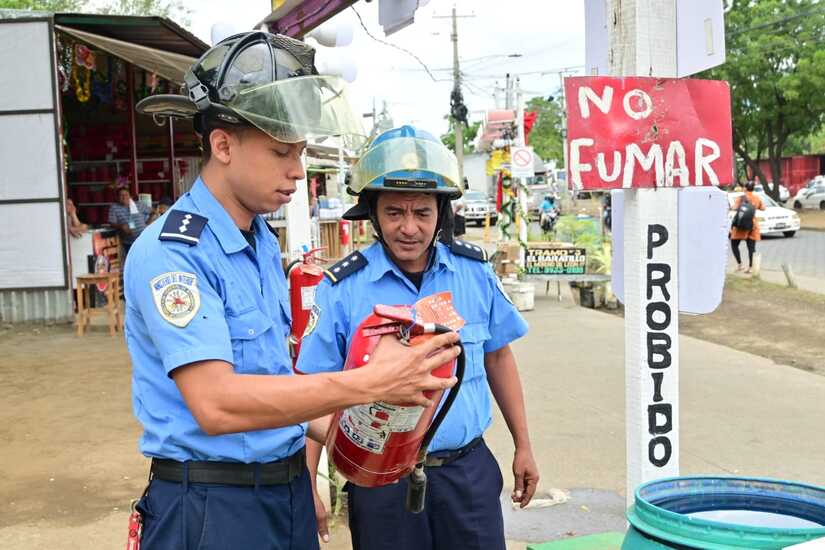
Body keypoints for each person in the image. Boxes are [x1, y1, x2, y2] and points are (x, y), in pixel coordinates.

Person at [124, 32, 460, 550]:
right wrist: (369, 383)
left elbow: (272, 379)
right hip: (213, 507)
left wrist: (378, 437)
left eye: (300, 152)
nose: (297, 172)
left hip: (283, 492)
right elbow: (217, 404)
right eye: (281, 151)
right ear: (223, 144)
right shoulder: (174, 252)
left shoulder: (258, 239)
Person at [298, 125, 539, 549]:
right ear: (373, 214)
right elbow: (312, 390)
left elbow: (498, 359)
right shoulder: (341, 289)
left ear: (440, 213)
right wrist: (309, 483)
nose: (409, 227)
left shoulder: (474, 273)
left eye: (422, 212)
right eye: (394, 212)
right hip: (378, 480)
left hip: (468, 473)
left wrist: (523, 445)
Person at [730, 181, 765, 274]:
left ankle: (740, 265)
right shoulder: (757, 198)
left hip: (741, 225)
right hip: (752, 226)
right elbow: (763, 208)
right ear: (753, 188)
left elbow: (734, 208)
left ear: (745, 188)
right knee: (751, 248)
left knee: (734, 244)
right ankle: (751, 267)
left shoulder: (740, 198)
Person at [108, 187, 150, 257]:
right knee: (132, 263)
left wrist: (148, 224)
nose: (124, 197)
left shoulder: (138, 204)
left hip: (144, 240)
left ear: (130, 196)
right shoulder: (114, 208)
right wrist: (121, 226)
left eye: (126, 195)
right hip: (129, 242)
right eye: (121, 195)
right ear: (117, 197)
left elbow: (154, 212)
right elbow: (112, 223)